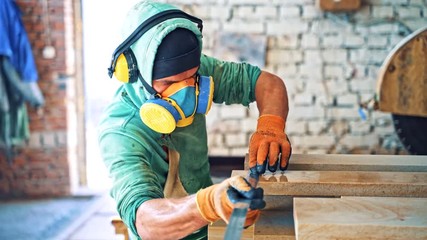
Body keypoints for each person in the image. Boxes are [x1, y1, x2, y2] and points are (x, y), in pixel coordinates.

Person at [98, 1, 292, 239]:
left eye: (191, 77)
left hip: (207, 228)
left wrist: (270, 126)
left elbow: (267, 83)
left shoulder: (195, 73)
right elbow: (145, 221)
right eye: (169, 84)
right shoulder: (121, 133)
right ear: (136, 73)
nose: (187, 92)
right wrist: (210, 204)